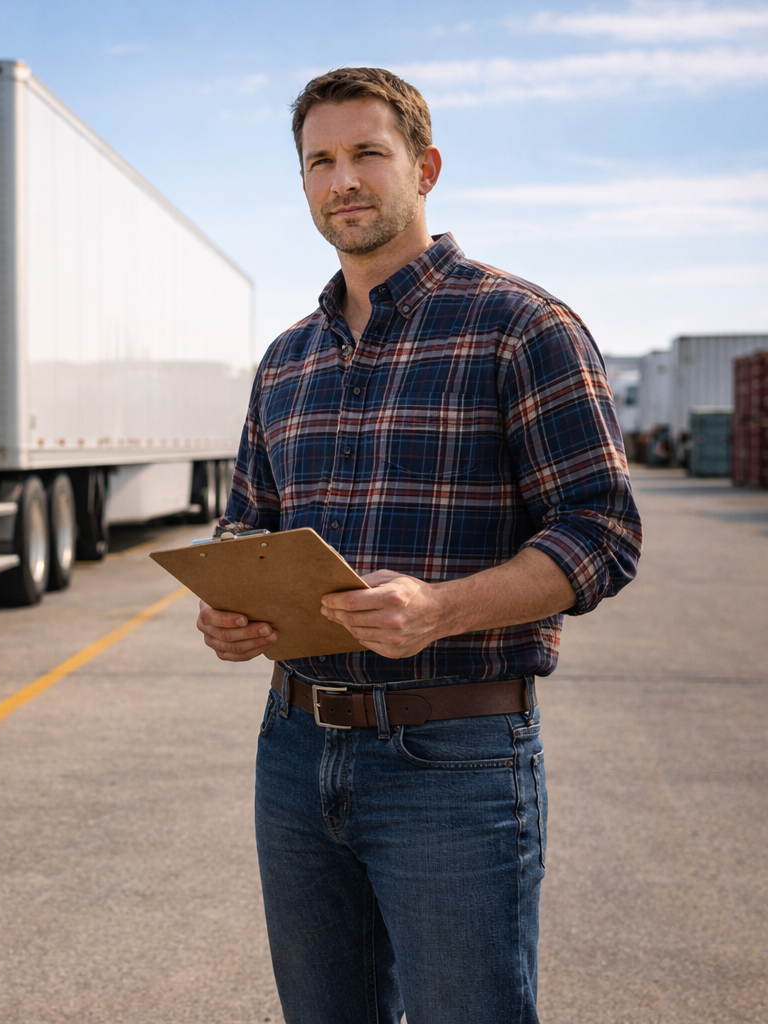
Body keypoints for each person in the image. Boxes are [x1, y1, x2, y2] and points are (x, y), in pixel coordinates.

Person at [196, 67, 642, 1024]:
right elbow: (249, 521)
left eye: (367, 154)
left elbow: (601, 533)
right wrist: (229, 606)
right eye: (320, 161)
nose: (342, 179)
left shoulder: (521, 328)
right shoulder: (286, 359)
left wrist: (442, 608)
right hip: (294, 748)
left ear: (425, 167)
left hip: (458, 758)